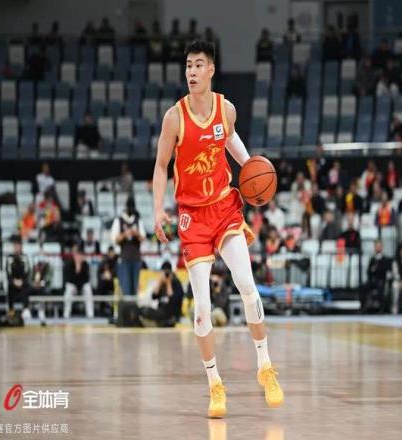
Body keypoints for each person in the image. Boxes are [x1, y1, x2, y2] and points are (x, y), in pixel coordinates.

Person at [153, 40, 284, 418]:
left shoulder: (226, 109)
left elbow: (228, 138)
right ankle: (215, 384)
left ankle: (265, 367)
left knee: (247, 286)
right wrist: (157, 209)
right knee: (202, 308)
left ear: (211, 70)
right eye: (188, 66)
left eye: (198, 65)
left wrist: (252, 167)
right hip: (192, 217)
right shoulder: (174, 118)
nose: (191, 72)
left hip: (225, 207)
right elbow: (161, 166)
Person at [111, 197, 145, 296]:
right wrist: (125, 234)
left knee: (135, 288)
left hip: (136, 259)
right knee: (125, 288)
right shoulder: (119, 220)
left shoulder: (138, 220)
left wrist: (135, 233)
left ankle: (134, 306)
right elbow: (115, 239)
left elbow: (143, 238)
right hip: (124, 259)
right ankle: (126, 306)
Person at [141, 261, 184, 326]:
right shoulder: (162, 282)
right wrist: (159, 282)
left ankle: (166, 322)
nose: (166, 274)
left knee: (148, 312)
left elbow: (174, 300)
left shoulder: (176, 282)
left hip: (172, 312)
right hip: (161, 310)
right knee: (144, 310)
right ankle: (160, 322)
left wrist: (168, 283)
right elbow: (154, 296)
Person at [361, 240, 392, 313]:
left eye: (379, 246)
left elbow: (386, 271)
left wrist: (376, 269)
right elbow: (368, 271)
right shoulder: (372, 259)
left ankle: (382, 309)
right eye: (376, 246)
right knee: (363, 287)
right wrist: (373, 271)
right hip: (372, 280)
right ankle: (363, 308)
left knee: (381, 287)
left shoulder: (386, 259)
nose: (378, 248)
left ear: (382, 247)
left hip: (381, 280)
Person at [63, 244, 94, 319]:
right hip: (73, 286)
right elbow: (68, 279)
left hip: (82, 286)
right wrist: (76, 271)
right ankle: (66, 314)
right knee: (68, 289)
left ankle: (90, 315)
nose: (79, 257)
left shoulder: (85, 265)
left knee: (88, 288)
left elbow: (86, 279)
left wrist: (79, 286)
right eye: (77, 255)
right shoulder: (69, 264)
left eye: (80, 256)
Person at [6, 238, 31, 320]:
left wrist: (22, 281)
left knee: (26, 286)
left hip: (22, 281)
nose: (16, 248)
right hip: (13, 282)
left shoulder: (25, 257)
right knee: (9, 287)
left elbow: (27, 271)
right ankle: (11, 309)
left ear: (21, 247)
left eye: (18, 246)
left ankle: (25, 309)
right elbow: (8, 272)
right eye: (15, 246)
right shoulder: (9, 258)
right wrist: (13, 281)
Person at [26, 258, 53, 324]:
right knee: (26, 291)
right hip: (34, 287)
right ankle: (27, 310)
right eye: (38, 265)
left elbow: (48, 279)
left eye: (41, 265)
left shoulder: (47, 269)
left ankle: (41, 311)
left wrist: (41, 283)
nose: (39, 267)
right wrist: (33, 284)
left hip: (43, 287)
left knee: (43, 292)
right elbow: (29, 280)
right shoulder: (33, 269)